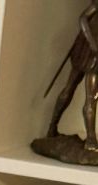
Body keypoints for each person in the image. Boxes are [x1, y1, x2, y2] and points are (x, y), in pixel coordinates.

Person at [47, 3, 98, 152]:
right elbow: (83, 19)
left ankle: (52, 128)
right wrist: (92, 43)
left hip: (91, 51)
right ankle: (90, 140)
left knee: (83, 94)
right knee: (86, 95)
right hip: (88, 52)